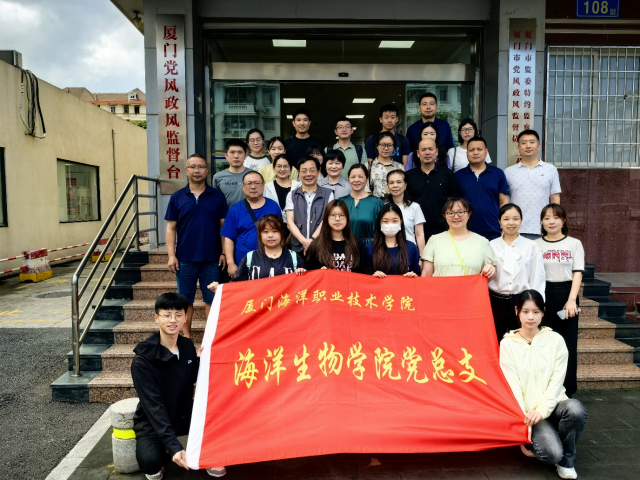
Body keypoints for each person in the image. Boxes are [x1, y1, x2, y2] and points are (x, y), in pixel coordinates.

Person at [131, 293, 226, 479]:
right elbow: (153, 406)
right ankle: (164, 451)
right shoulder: (142, 361)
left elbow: (195, 376)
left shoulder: (187, 346)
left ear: (185, 318)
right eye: (167, 315)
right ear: (156, 318)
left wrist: (204, 361)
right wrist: (173, 446)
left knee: (221, 424)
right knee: (150, 462)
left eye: (178, 315)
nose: (172, 320)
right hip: (153, 419)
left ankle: (209, 455)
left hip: (184, 413)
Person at [500, 290, 588, 480]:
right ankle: (550, 441)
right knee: (551, 454)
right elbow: (512, 385)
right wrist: (524, 423)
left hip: (554, 406)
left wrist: (543, 410)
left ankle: (567, 461)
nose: (530, 317)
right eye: (525, 311)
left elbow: (557, 382)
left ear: (543, 312)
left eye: (536, 312)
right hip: (531, 415)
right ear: (517, 311)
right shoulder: (507, 344)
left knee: (575, 409)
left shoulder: (555, 340)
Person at [165, 153, 227, 338]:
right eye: (192, 167)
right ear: (186, 170)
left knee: (212, 300)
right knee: (185, 301)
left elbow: (224, 228)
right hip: (185, 258)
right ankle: (187, 339)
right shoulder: (177, 197)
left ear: (207, 170)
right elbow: (171, 228)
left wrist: (224, 252)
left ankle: (210, 339)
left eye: (201, 167)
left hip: (212, 258)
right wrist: (171, 255)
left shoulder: (217, 196)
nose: (197, 170)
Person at [535, 204, 585, 398]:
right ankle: (544, 389)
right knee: (543, 342)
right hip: (543, 293)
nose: (551, 221)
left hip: (566, 294)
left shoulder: (574, 243)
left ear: (563, 220)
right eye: (546, 218)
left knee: (567, 343)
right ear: (542, 222)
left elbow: (577, 273)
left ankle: (567, 390)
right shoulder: (535, 245)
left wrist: (572, 300)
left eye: (556, 217)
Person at [489, 204, 546, 342]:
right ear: (499, 221)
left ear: (521, 220)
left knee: (522, 340)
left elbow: (537, 276)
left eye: (515, 219)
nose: (511, 223)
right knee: (496, 339)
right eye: (506, 219)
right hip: (495, 301)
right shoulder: (491, 245)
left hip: (522, 301)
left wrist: (536, 305)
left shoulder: (531, 246)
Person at [210, 215, 306, 286]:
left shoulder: (294, 257)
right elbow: (237, 284)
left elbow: (304, 286)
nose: (270, 235)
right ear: (260, 235)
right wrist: (220, 288)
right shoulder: (250, 258)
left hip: (285, 305)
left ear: (281, 233)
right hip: (259, 306)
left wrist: (302, 273)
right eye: (266, 232)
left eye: (275, 231)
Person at [220, 171, 282, 278]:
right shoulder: (235, 209)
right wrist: (230, 263)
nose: (253, 187)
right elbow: (228, 238)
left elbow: (280, 234)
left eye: (257, 183)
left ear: (263, 186)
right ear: (243, 187)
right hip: (243, 264)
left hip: (271, 263)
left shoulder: (273, 206)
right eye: (249, 183)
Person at [505, 130, 561, 240]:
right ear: (518, 148)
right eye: (524, 142)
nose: (528, 146)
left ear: (538, 146)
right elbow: (505, 201)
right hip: (515, 229)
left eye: (532, 142)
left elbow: (555, 198)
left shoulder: (551, 169)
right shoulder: (508, 172)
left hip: (542, 228)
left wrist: (554, 222)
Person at [421, 197, 495, 278]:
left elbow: (489, 277)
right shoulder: (434, 240)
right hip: (439, 286)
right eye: (450, 213)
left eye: (461, 212)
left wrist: (491, 271)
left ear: (469, 214)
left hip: (469, 287)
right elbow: (426, 274)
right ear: (445, 216)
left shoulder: (482, 242)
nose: (456, 216)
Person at [455, 137, 510, 241]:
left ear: (486, 152)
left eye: (479, 149)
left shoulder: (497, 173)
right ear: (467, 153)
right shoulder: (458, 176)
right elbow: (453, 204)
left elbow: (504, 203)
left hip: (493, 230)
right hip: (465, 231)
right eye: (471, 150)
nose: (475, 152)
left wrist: (505, 225)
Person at [405, 138, 457, 244]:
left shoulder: (447, 174)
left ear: (436, 152)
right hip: (416, 229)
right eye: (423, 150)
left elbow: (451, 199)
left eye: (430, 149)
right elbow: (406, 201)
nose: (427, 152)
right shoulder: (409, 176)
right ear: (418, 153)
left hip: (442, 228)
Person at [305, 199, 371, 273]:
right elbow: (309, 275)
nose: (337, 219)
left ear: (347, 218)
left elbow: (366, 272)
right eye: (333, 215)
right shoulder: (315, 245)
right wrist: (319, 272)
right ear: (326, 218)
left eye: (341, 215)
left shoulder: (357, 243)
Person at [285, 156, 334, 254]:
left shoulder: (328, 194)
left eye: (312, 170)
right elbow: (290, 223)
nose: (308, 174)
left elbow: (326, 220)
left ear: (318, 172)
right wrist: (304, 242)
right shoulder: (292, 195)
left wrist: (312, 241)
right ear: (299, 173)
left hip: (320, 247)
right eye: (304, 171)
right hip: (297, 247)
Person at [366, 203, 421, 278]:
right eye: (385, 221)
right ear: (379, 222)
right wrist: (373, 276)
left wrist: (412, 275)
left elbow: (417, 275)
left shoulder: (411, 247)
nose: (390, 225)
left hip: (403, 286)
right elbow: (363, 277)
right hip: (378, 286)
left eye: (395, 221)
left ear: (401, 221)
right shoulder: (369, 248)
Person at [340, 164, 384, 245]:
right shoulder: (341, 202)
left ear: (367, 179)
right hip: (345, 246)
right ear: (349, 179)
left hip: (369, 247)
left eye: (360, 177)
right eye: (353, 177)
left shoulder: (376, 202)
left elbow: (382, 229)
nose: (356, 180)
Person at [386, 170, 426, 254]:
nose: (395, 185)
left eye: (399, 182)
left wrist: (421, 256)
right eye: (391, 183)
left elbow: (419, 234)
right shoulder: (384, 207)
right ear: (388, 186)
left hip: (410, 251)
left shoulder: (414, 207)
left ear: (405, 185)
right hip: (389, 252)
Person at [264, 154, 301, 228]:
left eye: (285, 166)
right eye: (279, 166)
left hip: (296, 227)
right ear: (274, 168)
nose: (282, 169)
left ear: (290, 168)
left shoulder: (299, 186)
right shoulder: (267, 187)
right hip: (272, 227)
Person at [213, 139, 248, 208]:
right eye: (232, 152)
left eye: (240, 152)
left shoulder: (253, 175)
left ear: (245, 156)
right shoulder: (218, 177)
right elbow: (215, 201)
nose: (236, 156)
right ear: (226, 155)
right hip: (226, 214)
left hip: (250, 214)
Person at [368, 132, 404, 198]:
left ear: (394, 147)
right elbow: (366, 190)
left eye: (389, 145)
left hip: (395, 203)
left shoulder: (399, 167)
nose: (386, 148)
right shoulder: (368, 167)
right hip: (374, 203)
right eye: (382, 145)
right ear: (377, 146)